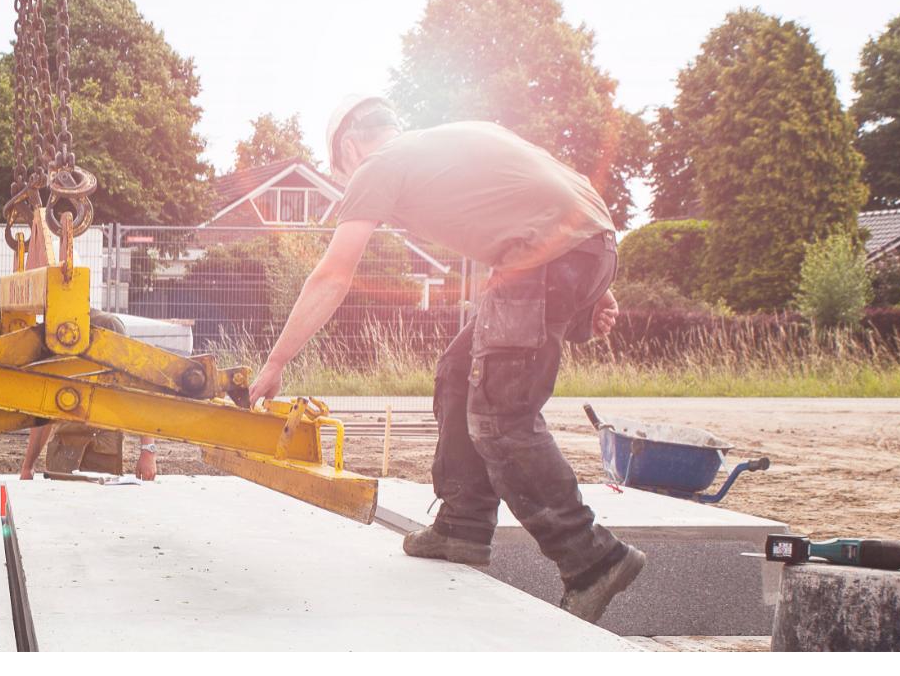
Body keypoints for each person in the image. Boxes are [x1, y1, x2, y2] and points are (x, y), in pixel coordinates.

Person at [247, 95, 643, 623]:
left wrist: (276, 362)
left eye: (339, 172)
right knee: (459, 371)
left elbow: (334, 273)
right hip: (584, 239)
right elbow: (547, 186)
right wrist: (595, 277)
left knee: (501, 417)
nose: (348, 185)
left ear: (347, 147)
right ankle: (463, 525)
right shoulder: (454, 140)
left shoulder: (376, 165)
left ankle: (592, 558)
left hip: (546, 257)